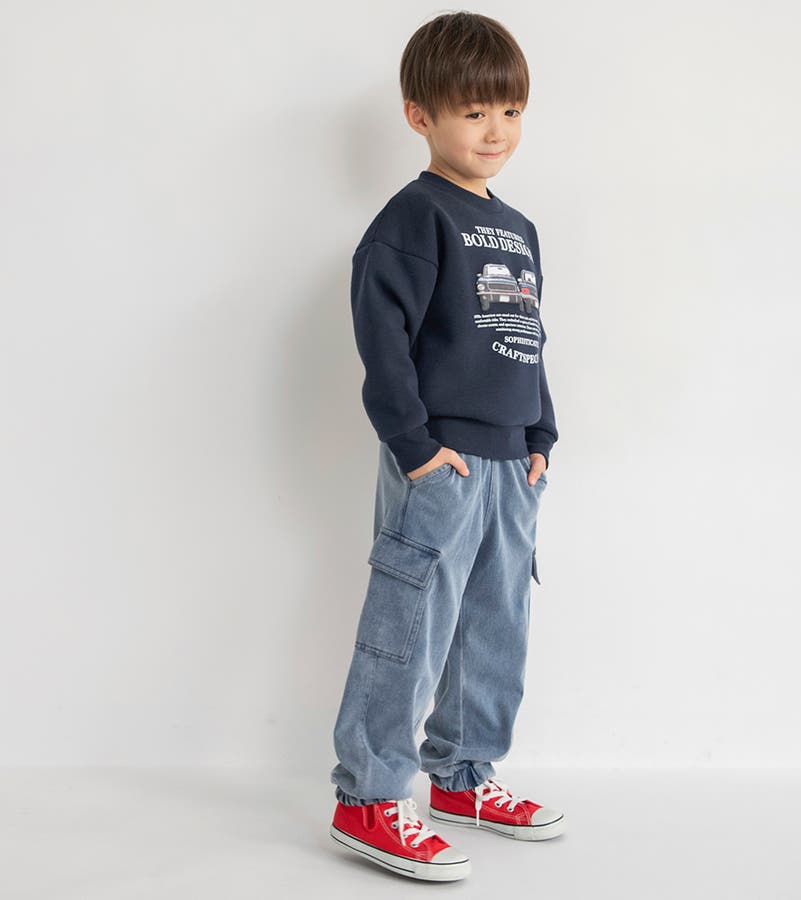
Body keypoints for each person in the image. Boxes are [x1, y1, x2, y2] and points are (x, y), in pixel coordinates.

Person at [328, 11, 563, 882]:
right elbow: (382, 338)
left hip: (511, 465)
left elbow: (526, 337)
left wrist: (540, 436)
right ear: (420, 116)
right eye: (473, 112)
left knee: (495, 627)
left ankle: (462, 777)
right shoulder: (414, 218)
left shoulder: (519, 228)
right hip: (441, 463)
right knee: (411, 626)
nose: (496, 131)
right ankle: (368, 798)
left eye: (510, 110)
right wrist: (415, 447)